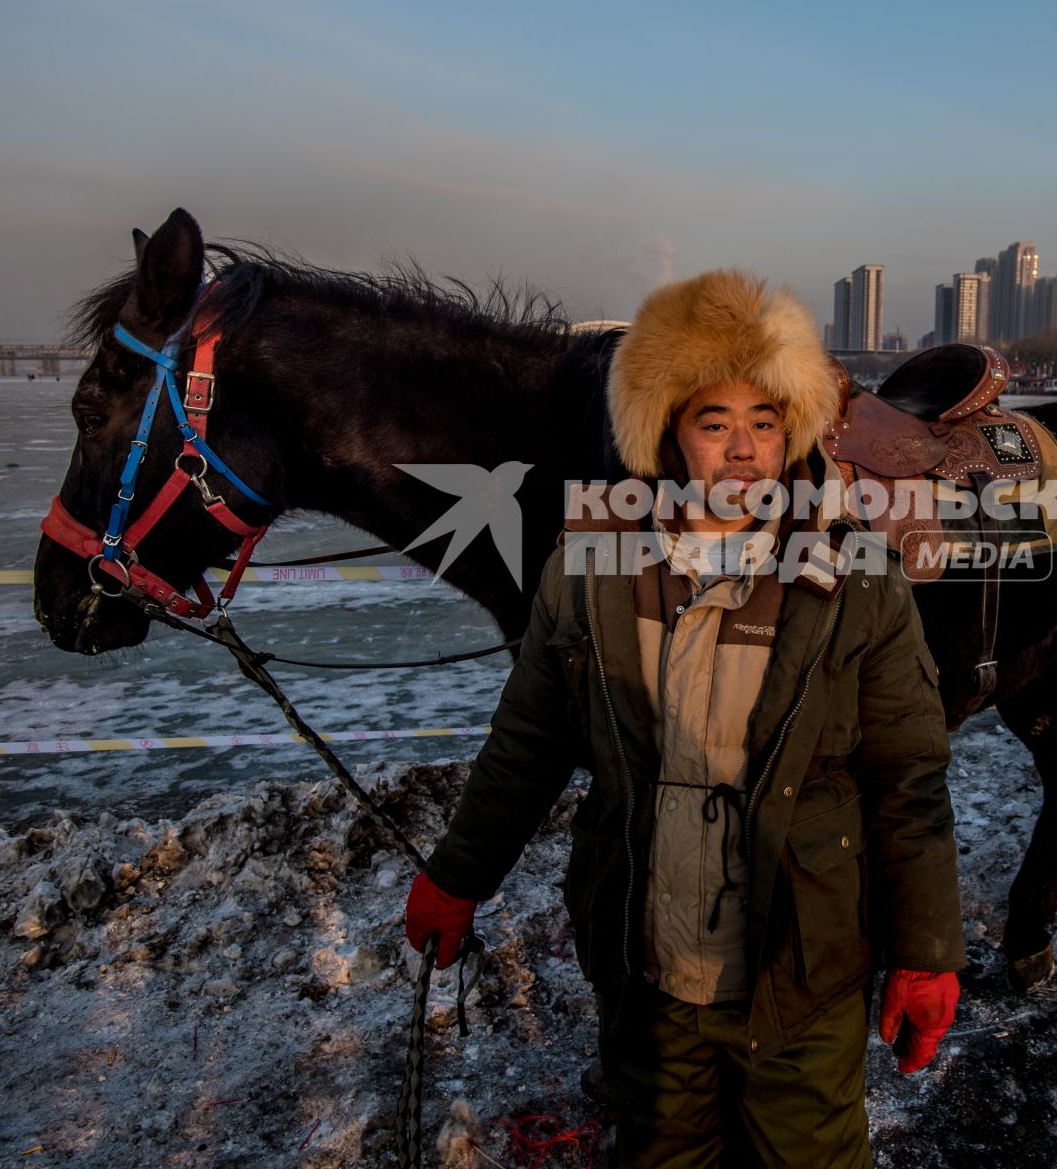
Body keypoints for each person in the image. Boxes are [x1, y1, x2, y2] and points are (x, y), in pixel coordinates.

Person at [405, 269, 965, 1168]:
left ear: (793, 439)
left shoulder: (858, 581)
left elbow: (907, 776)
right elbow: (528, 743)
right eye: (715, 422)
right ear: (667, 436)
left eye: (766, 422)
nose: (742, 449)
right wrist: (458, 875)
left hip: (804, 975)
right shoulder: (588, 571)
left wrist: (927, 949)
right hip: (648, 976)